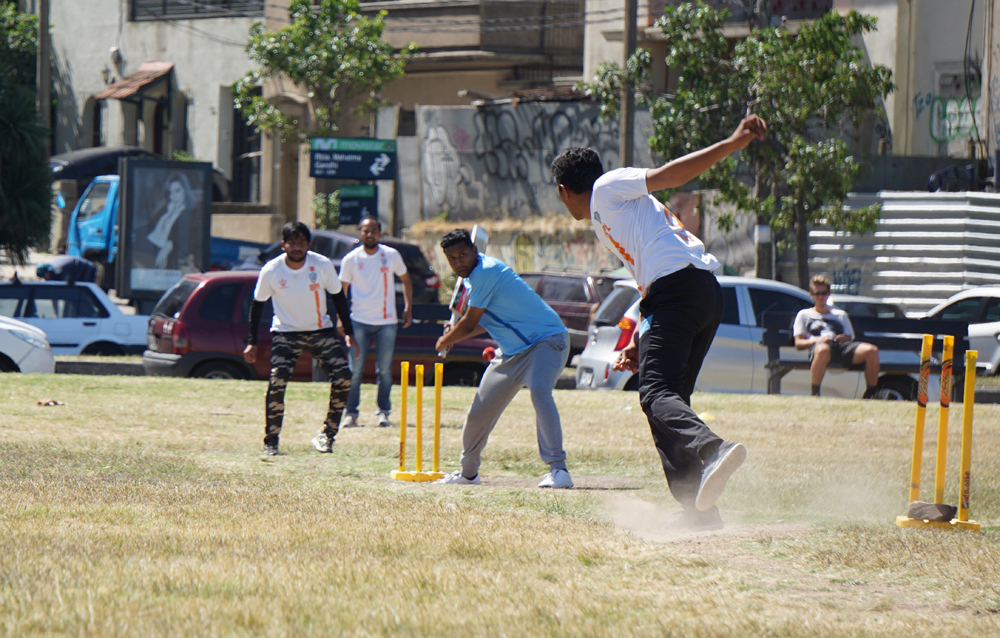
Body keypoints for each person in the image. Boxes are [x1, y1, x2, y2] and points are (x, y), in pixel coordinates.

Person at [550, 115, 766, 531]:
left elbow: (670, 174)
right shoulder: (606, 213)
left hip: (680, 290)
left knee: (654, 394)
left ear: (563, 190)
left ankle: (713, 449)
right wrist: (643, 333)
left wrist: (731, 143)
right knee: (667, 405)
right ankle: (699, 512)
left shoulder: (607, 187)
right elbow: (646, 269)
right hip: (697, 293)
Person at [433, 229, 573, 489]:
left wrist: (447, 339)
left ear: (476, 250)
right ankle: (468, 474)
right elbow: (479, 324)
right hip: (511, 353)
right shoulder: (470, 281)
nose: (458, 262)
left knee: (540, 392)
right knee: (478, 414)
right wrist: (454, 335)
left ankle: (559, 471)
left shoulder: (485, 271)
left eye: (463, 254)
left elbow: (468, 322)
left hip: (547, 340)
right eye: (452, 258)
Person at [243, 221, 356, 457]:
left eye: (301, 243)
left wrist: (349, 333)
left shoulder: (322, 265)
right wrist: (252, 341)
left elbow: (338, 298)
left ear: (309, 245)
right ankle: (271, 442)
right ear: (283, 245)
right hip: (285, 333)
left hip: (320, 331)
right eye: (292, 243)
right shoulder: (272, 270)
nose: (297, 247)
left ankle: (327, 435)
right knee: (277, 382)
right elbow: (257, 305)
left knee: (344, 377)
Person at [338, 216, 413, 428]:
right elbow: (341, 290)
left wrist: (407, 307)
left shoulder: (390, 255)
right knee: (355, 370)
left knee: (385, 370)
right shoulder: (351, 259)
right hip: (358, 321)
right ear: (359, 233)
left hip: (386, 321)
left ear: (381, 234)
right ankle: (351, 413)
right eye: (365, 230)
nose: (369, 234)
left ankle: (383, 412)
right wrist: (340, 319)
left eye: (373, 231)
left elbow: (406, 280)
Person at [794, 275, 880, 398]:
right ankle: (815, 393)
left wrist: (845, 338)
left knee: (872, 350)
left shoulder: (840, 315)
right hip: (820, 348)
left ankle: (871, 393)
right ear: (811, 294)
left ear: (829, 294)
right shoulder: (804, 315)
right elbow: (798, 344)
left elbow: (850, 338)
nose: (820, 297)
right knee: (822, 349)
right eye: (816, 293)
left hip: (841, 346)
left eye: (823, 293)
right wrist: (817, 339)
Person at [147, 172, 195, 269]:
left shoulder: (190, 213)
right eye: (170, 192)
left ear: (185, 190)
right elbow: (148, 230)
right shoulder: (164, 210)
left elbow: (189, 239)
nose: (173, 196)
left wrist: (170, 243)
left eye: (177, 191)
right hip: (151, 258)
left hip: (174, 264)